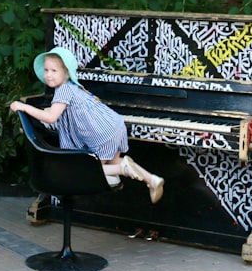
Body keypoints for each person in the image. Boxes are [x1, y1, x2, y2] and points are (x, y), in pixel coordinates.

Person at [10, 46, 165, 205]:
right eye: (46, 70)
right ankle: (152, 180)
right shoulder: (73, 87)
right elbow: (64, 115)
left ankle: (123, 169)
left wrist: (25, 107)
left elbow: (51, 117)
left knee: (83, 172)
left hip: (102, 135)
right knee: (114, 162)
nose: (49, 75)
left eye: (54, 71)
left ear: (66, 72)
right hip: (113, 126)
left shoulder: (63, 90)